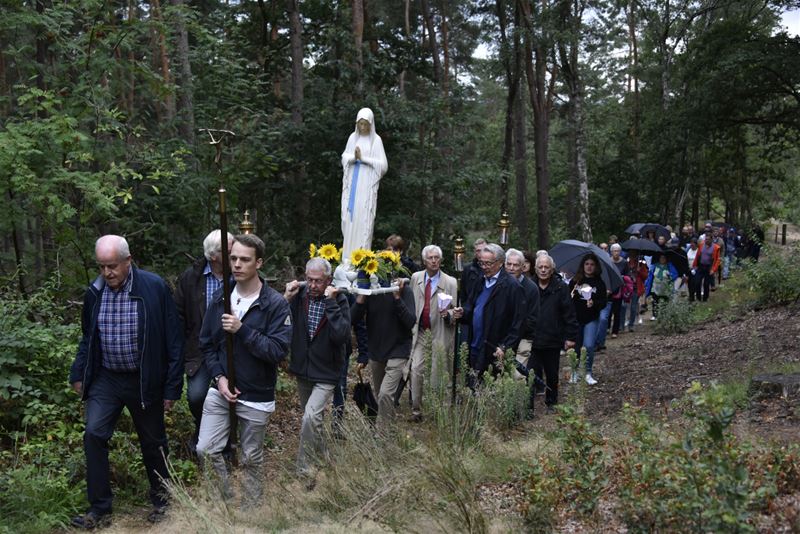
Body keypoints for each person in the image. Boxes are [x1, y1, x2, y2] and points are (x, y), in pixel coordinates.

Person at [69, 235, 183, 529]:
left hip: (144, 378)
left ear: (128, 261)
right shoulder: (95, 292)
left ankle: (163, 502)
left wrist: (172, 386)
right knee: (94, 434)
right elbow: (88, 337)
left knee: (153, 441)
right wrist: (79, 372)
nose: (107, 273)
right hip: (106, 378)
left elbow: (173, 338)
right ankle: (100, 508)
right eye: (102, 267)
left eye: (113, 266)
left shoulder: (154, 287)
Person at [196, 234, 292, 506]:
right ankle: (223, 500)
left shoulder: (274, 304)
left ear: (259, 263)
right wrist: (219, 377)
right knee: (206, 449)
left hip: (256, 392)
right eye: (233, 258)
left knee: (251, 456)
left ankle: (251, 509)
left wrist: (242, 330)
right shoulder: (221, 296)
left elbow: (277, 351)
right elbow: (206, 344)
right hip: (221, 389)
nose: (237, 264)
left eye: (244, 260)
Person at [284, 258, 350, 475]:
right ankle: (326, 459)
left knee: (310, 418)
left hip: (327, 371)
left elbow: (341, 335)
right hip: (303, 369)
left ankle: (304, 469)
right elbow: (279, 322)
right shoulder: (298, 297)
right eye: (309, 280)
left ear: (328, 280)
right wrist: (285, 299)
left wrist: (330, 302)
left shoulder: (339, 300)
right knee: (313, 421)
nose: (313, 285)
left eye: (318, 281)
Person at [174, 230, 233, 454]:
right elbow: (178, 315)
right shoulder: (191, 278)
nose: (235, 256)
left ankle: (226, 442)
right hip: (199, 351)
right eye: (229, 252)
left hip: (231, 349)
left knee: (231, 395)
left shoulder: (238, 275)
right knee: (196, 396)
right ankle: (204, 431)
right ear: (214, 256)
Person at [454, 244, 524, 390]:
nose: (484, 267)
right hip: (474, 345)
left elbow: (518, 322)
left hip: (494, 349)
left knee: (492, 391)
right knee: (472, 389)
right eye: (481, 263)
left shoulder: (512, 286)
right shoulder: (480, 280)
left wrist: (505, 346)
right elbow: (471, 306)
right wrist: (462, 312)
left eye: (488, 263)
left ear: (500, 263)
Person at [351, 279, 416, 428]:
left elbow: (410, 321)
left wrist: (397, 297)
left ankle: (380, 438)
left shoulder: (405, 290)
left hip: (399, 350)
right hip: (377, 351)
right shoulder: (371, 290)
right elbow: (352, 319)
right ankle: (389, 431)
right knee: (383, 397)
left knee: (385, 394)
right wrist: (361, 297)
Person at [407, 245, 457, 421]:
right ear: (424, 260)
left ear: (441, 260)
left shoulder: (450, 282)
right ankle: (416, 410)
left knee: (440, 371)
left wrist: (449, 314)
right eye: (430, 258)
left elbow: (454, 312)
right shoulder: (416, 278)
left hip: (440, 332)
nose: (434, 261)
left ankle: (441, 411)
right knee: (416, 369)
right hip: (420, 332)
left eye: (437, 257)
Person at [528, 253, 578, 409]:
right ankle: (528, 406)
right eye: (540, 267)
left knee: (551, 374)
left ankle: (552, 402)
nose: (543, 270)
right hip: (533, 338)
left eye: (546, 267)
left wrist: (570, 336)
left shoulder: (560, 287)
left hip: (553, 338)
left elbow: (569, 313)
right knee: (530, 374)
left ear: (552, 270)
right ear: (535, 269)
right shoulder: (529, 286)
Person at [340, 107, 388, 263]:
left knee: (363, 219)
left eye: (365, 124)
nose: (362, 127)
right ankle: (347, 257)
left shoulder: (376, 141)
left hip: (365, 188)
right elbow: (344, 157)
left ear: (370, 124)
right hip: (352, 185)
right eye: (360, 124)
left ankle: (361, 259)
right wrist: (353, 158)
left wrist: (364, 159)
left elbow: (383, 165)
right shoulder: (352, 138)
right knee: (348, 219)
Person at [569, 253, 608, 385]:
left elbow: (603, 301)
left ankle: (587, 372)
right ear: (583, 265)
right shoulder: (575, 281)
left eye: (592, 264)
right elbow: (568, 299)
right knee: (576, 347)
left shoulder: (599, 283)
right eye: (587, 264)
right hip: (576, 319)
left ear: (595, 266)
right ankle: (574, 372)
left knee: (589, 346)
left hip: (591, 318)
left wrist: (594, 303)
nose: (589, 267)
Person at [505, 248, 539, 380]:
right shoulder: (500, 284)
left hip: (523, 339)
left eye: (516, 265)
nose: (512, 268)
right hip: (502, 339)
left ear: (523, 267)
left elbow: (532, 318)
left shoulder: (531, 288)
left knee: (518, 377)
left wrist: (516, 333)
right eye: (509, 264)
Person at [607, 243, 630, 339]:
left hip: (619, 290)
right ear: (611, 252)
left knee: (617, 311)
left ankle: (615, 331)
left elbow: (628, 275)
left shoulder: (624, 262)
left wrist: (622, 278)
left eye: (618, 251)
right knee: (607, 311)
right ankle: (607, 328)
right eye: (614, 251)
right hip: (608, 289)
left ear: (620, 252)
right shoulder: (608, 261)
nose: (616, 253)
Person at [691, 233, 721, 302]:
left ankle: (705, 298)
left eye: (708, 239)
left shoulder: (715, 247)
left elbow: (717, 260)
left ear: (711, 240)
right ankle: (698, 298)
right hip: (701, 266)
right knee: (697, 282)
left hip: (709, 267)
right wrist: (694, 265)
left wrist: (713, 269)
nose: (706, 241)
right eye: (706, 239)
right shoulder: (701, 245)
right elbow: (697, 256)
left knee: (706, 284)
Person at [625, 252, 648, 331]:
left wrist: (639, 271)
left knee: (633, 306)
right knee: (625, 305)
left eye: (634, 254)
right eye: (631, 254)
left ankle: (631, 324)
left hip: (636, 287)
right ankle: (625, 321)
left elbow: (645, 276)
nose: (632, 256)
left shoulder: (641, 264)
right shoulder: (626, 263)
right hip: (626, 287)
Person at [685, 237, 701, 302]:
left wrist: (695, 268)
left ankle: (697, 297)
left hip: (696, 270)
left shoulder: (699, 251)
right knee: (690, 284)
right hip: (689, 270)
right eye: (691, 243)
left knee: (696, 284)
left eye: (693, 244)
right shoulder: (688, 251)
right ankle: (691, 297)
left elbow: (700, 262)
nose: (692, 245)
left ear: (696, 244)